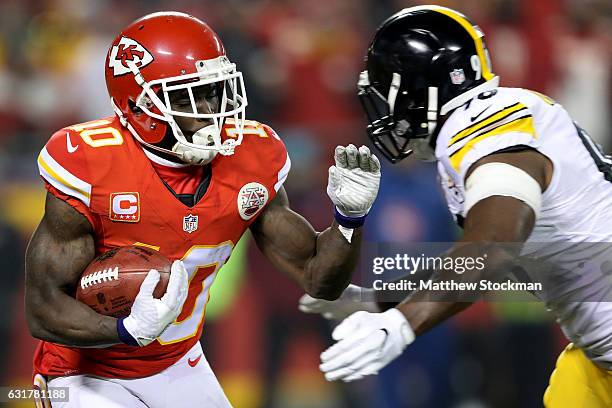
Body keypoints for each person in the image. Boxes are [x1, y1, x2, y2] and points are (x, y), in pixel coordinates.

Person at [25, 11, 381, 408]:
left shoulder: (251, 155)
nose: (211, 109)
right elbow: (42, 308)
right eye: (186, 96)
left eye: (214, 90)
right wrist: (126, 329)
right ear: (138, 108)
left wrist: (349, 219)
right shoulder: (92, 162)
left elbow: (320, 280)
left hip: (176, 362)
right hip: (82, 373)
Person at [299, 5, 612, 407]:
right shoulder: (488, 120)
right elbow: (476, 259)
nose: (381, 109)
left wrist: (402, 325)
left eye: (384, 89)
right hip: (596, 358)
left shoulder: (486, 132)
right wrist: (380, 298)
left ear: (417, 89)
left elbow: (493, 247)